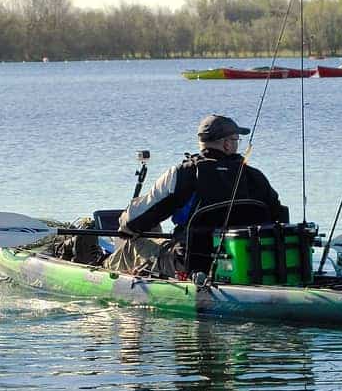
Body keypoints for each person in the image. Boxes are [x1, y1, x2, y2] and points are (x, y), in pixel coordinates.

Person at [102, 113, 284, 277]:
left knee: (133, 244)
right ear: (227, 144)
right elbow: (279, 217)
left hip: (187, 265)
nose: (237, 145)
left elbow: (134, 221)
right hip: (245, 263)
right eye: (237, 140)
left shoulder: (183, 173)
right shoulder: (255, 177)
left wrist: (125, 224)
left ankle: (98, 268)